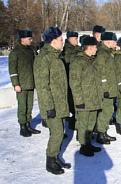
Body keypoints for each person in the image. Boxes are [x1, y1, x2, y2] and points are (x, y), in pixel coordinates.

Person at [34, 27, 71, 175]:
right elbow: (43, 86)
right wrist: (48, 107)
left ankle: (56, 157)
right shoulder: (43, 59)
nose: (63, 43)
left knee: (60, 132)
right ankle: (50, 161)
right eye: (61, 40)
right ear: (53, 41)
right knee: (56, 133)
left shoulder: (56, 57)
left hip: (60, 102)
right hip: (52, 105)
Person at [9, 29, 41, 137]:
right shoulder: (15, 52)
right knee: (23, 106)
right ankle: (22, 126)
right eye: (29, 38)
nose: (31, 40)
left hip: (31, 82)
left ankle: (28, 124)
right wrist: (15, 84)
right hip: (21, 84)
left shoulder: (31, 50)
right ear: (22, 39)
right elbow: (12, 70)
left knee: (30, 105)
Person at [94, 31, 118, 144]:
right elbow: (101, 73)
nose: (115, 43)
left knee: (109, 111)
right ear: (108, 41)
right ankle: (101, 134)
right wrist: (104, 89)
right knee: (105, 111)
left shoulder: (108, 53)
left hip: (111, 87)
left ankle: (104, 132)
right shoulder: (102, 54)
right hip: (106, 89)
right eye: (114, 41)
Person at [62, 31, 82, 130]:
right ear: (69, 39)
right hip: (70, 78)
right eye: (75, 39)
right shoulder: (67, 50)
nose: (77, 41)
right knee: (72, 101)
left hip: (75, 78)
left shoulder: (76, 49)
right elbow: (69, 59)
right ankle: (72, 122)